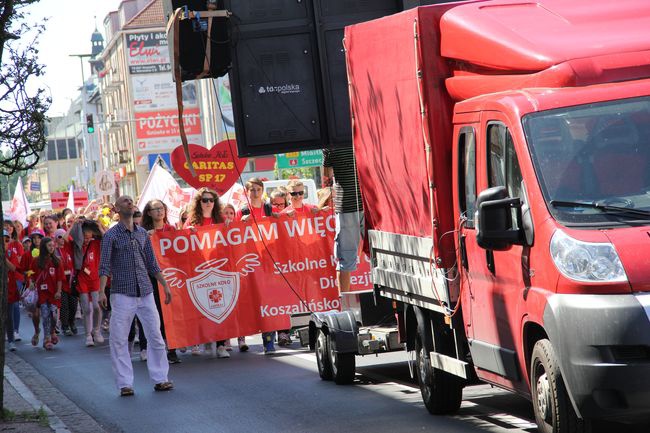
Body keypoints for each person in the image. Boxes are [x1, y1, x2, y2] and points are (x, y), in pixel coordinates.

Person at [98, 195, 174, 397]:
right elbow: (104, 265)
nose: (129, 203)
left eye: (131, 200)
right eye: (124, 201)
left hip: (146, 291)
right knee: (119, 339)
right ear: (116, 209)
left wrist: (165, 284)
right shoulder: (111, 236)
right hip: (122, 293)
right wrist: (101, 291)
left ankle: (161, 379)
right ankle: (124, 384)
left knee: (156, 336)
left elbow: (152, 263)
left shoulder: (142, 234)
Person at [185, 187, 230, 358]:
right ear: (199, 202)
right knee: (204, 306)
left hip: (219, 268)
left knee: (221, 305)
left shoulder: (221, 219)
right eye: (204, 200)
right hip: (200, 270)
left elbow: (232, 237)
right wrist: (189, 233)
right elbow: (182, 242)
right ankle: (204, 337)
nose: (208, 203)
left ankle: (221, 345)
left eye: (211, 200)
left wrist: (229, 227)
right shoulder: (192, 221)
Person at [141, 199, 181, 364]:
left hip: (171, 276)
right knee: (157, 313)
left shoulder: (172, 230)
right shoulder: (143, 232)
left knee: (172, 313)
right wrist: (146, 238)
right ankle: (157, 347)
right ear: (149, 212)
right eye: (155, 209)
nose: (159, 211)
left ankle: (172, 349)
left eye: (161, 208)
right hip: (152, 278)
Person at [323, 146, 365, 294]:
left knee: (345, 259)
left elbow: (327, 174)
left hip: (346, 205)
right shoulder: (360, 138)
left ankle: (345, 301)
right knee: (379, 254)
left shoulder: (330, 147)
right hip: (368, 202)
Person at [71, 219, 104, 347]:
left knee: (96, 306)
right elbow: (67, 236)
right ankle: (88, 335)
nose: (86, 239)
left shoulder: (96, 243)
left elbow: (106, 237)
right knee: (86, 308)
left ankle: (96, 330)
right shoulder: (77, 246)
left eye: (89, 236)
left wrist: (99, 225)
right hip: (82, 279)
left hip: (95, 278)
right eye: (84, 236)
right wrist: (76, 224)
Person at [28, 237, 64, 350]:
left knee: (54, 316)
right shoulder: (36, 261)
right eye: (49, 246)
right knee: (45, 315)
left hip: (53, 294)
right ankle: (46, 338)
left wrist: (58, 291)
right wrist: (31, 282)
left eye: (53, 245)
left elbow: (60, 278)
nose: (52, 248)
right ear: (44, 247)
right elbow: (30, 274)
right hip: (42, 294)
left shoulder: (57, 261)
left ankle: (53, 331)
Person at [54, 228, 77, 336]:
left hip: (71, 281)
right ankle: (65, 326)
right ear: (55, 239)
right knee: (64, 306)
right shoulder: (54, 251)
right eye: (59, 237)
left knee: (73, 305)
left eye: (63, 237)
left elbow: (69, 238)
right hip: (61, 282)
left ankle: (71, 321)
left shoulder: (69, 248)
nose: (62, 239)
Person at [4, 219, 24, 341]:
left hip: (16, 277)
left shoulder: (17, 244)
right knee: (6, 307)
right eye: (5, 226)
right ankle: (8, 331)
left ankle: (15, 331)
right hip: (5, 278)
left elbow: (17, 264)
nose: (8, 228)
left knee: (15, 305)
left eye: (9, 226)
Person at [4, 230, 21, 351]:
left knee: (9, 315)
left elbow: (14, 267)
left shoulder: (10, 252)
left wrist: (3, 258)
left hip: (9, 287)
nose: (4, 243)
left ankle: (10, 340)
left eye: (6, 240)